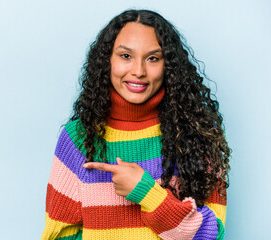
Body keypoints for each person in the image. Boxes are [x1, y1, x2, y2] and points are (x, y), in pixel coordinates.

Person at [41, 9, 230, 240]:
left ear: (168, 66)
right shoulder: (78, 139)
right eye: (126, 56)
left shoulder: (197, 136)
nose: (138, 71)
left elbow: (214, 235)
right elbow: (58, 236)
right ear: (107, 60)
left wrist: (149, 195)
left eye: (153, 58)